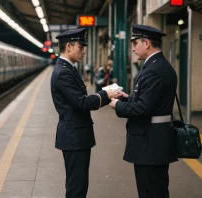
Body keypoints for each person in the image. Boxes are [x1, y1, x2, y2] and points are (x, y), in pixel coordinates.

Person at [109, 24, 178, 198]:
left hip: (150, 144)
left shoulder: (154, 70)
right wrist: (126, 98)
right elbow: (147, 101)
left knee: (150, 191)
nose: (132, 48)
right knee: (157, 189)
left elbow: (142, 108)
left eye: (135, 43)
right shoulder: (157, 65)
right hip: (155, 141)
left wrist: (117, 105)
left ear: (146, 43)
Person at [50, 28, 120, 198]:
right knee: (76, 188)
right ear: (68, 47)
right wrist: (106, 95)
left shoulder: (68, 68)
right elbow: (81, 102)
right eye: (80, 47)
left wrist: (105, 95)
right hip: (74, 137)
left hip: (77, 136)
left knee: (79, 185)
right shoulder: (64, 72)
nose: (83, 50)